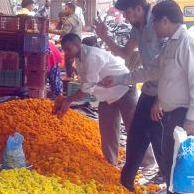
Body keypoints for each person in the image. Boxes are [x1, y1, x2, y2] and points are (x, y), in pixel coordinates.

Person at [100, 0, 194, 194]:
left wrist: (191, 119)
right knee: (171, 166)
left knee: (188, 171)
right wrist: (121, 79)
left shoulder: (186, 43)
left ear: (165, 21)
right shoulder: (168, 45)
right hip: (171, 113)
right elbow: (151, 72)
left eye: (156, 22)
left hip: (185, 116)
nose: (153, 27)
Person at [93, 0, 160, 192]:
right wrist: (105, 37)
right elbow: (124, 52)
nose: (125, 17)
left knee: (158, 137)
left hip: (163, 91)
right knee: (137, 132)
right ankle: (126, 182)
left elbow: (168, 66)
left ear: (139, 8)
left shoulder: (158, 24)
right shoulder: (137, 27)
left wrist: (162, 98)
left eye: (127, 12)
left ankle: (161, 175)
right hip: (149, 87)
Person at [54, 33, 139, 166]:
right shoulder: (79, 60)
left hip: (124, 91)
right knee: (107, 129)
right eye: (64, 49)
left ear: (78, 45)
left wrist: (68, 100)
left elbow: (87, 89)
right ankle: (110, 163)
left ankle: (146, 164)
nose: (66, 52)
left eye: (69, 49)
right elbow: (86, 85)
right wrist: (67, 99)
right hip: (106, 95)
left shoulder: (91, 57)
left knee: (133, 129)